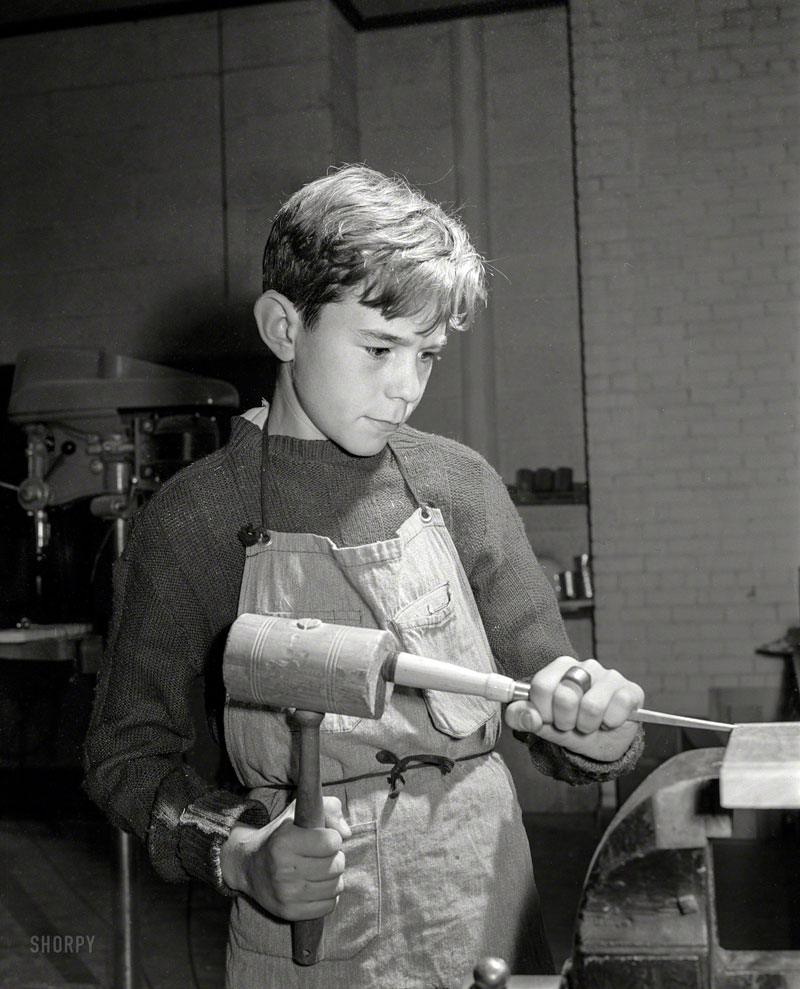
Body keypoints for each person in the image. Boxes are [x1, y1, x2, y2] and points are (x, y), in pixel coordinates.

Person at [84, 164, 645, 989]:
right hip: (310, 926)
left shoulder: (461, 487)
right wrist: (240, 854)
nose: (405, 387)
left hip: (483, 901)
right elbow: (125, 756)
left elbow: (545, 693)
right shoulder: (197, 518)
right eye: (379, 347)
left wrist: (592, 731)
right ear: (284, 325)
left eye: (428, 354)